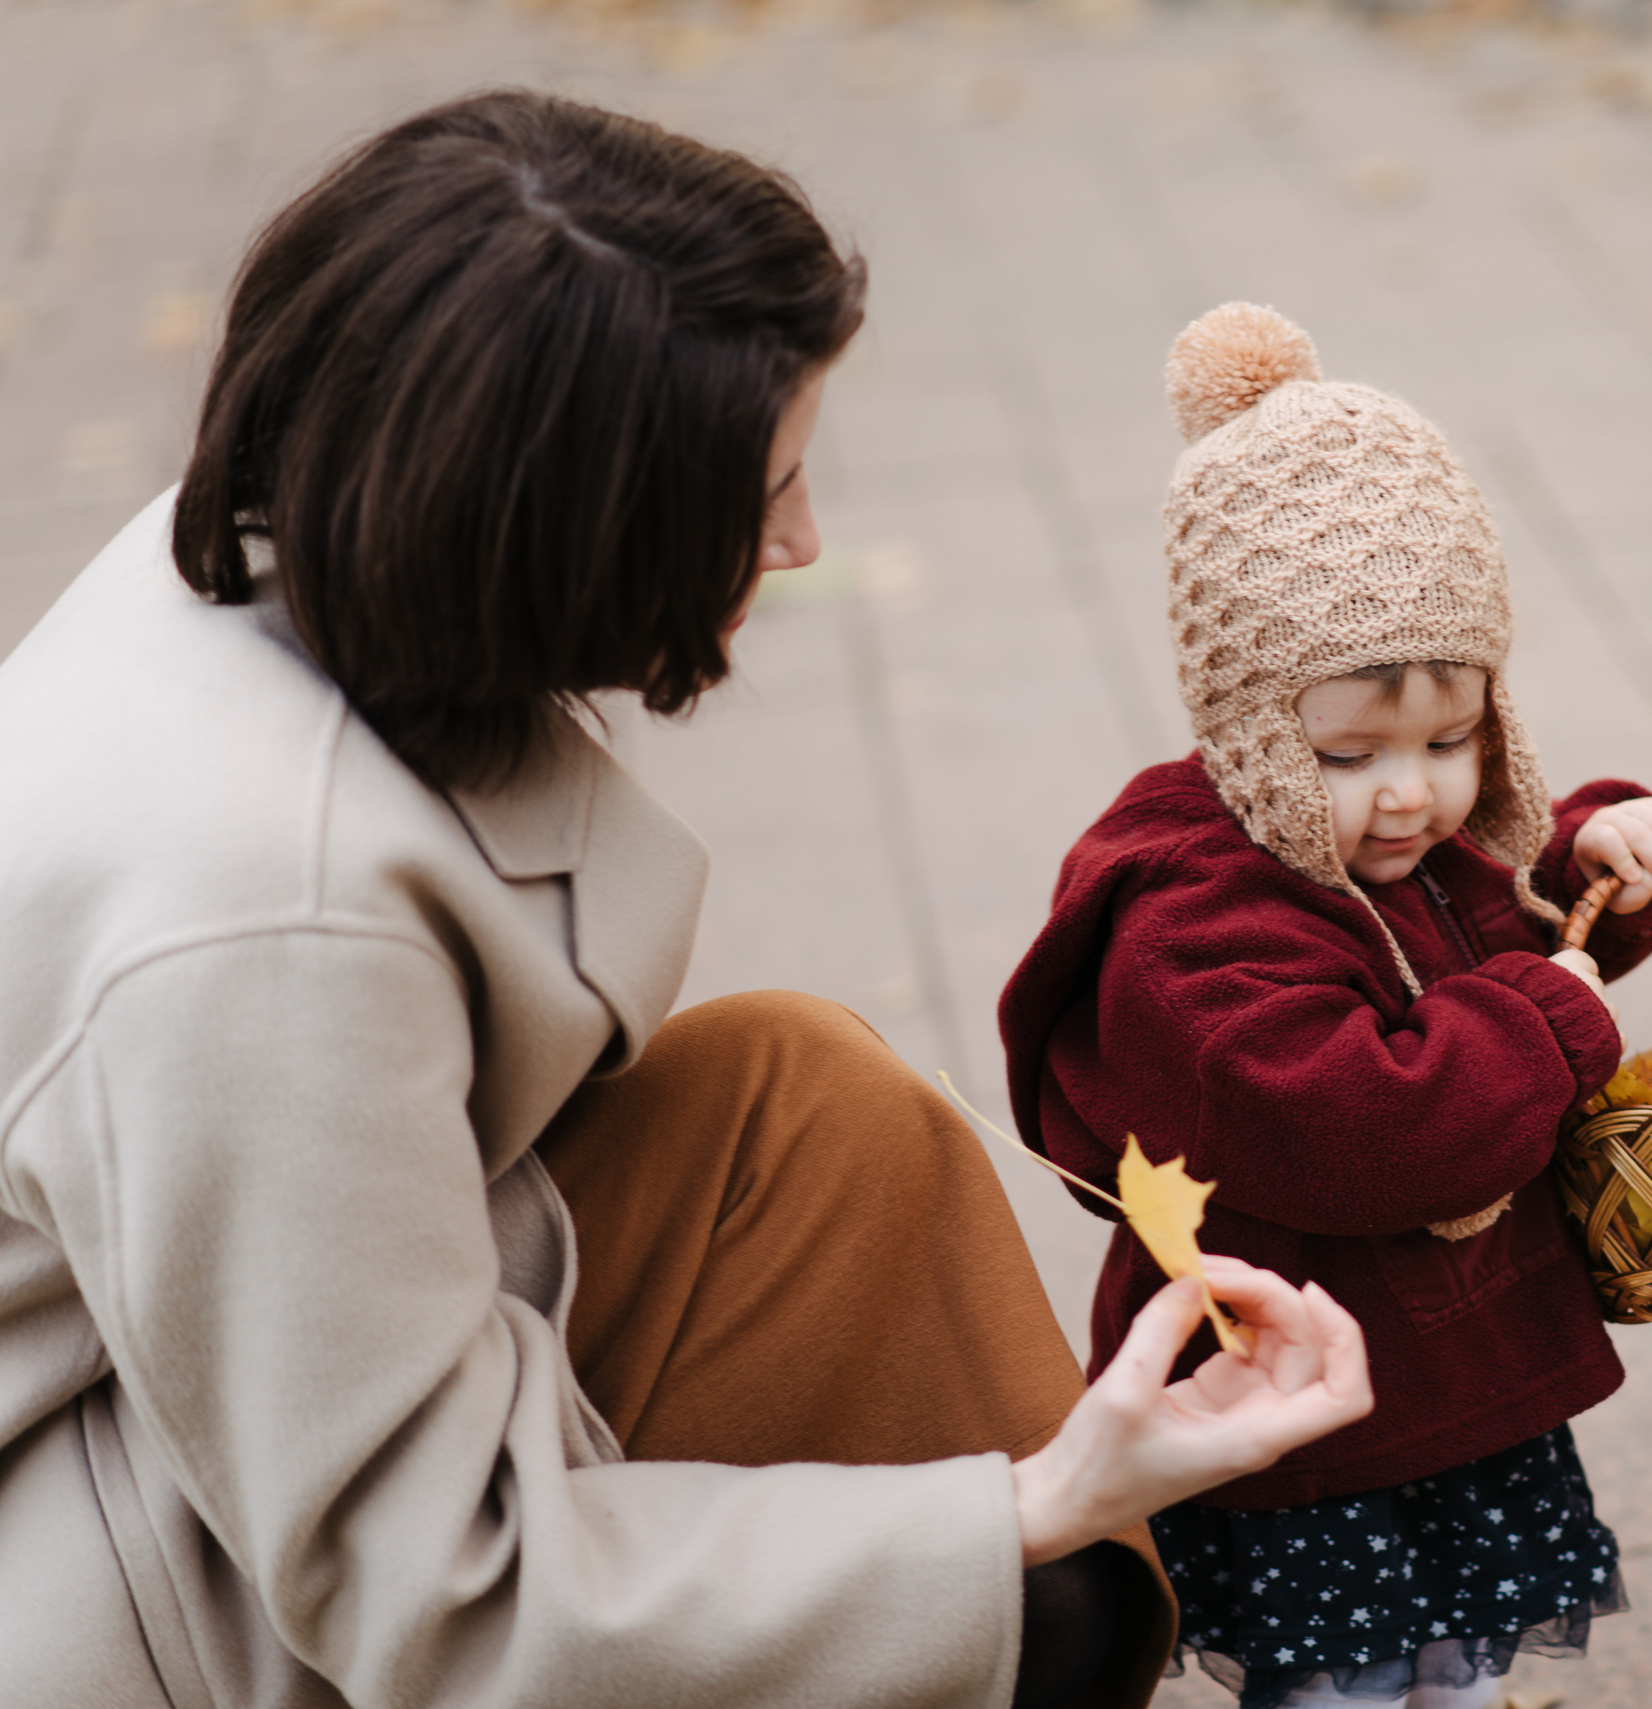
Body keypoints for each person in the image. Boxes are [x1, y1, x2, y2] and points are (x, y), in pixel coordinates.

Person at [0, 96, 1370, 1709]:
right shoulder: (263, 932)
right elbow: (438, 1603)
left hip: (219, 1362)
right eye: (762, 486)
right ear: (570, 526)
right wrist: (1027, 1508)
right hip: (104, 1573)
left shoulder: (259, 550)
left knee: (808, 1114)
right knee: (1013, 1578)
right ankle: (1046, 1625)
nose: (801, 539)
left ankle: (1050, 1630)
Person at [997, 304, 1652, 1709]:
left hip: (1446, 1371)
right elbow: (1369, 1118)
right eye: (1351, 750)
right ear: (1249, 726)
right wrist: (1554, 1020)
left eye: (1453, 740)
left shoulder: (1408, 836)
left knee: (1457, 1662)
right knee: (1344, 1682)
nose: (1413, 793)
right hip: (1292, 1418)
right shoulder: (1194, 925)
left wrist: (1602, 866)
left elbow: (1502, 918)